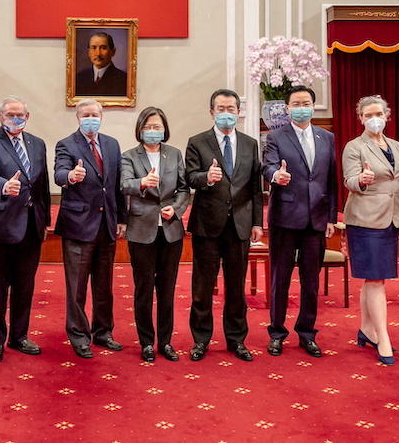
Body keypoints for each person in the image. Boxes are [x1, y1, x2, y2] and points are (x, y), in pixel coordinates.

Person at [185, 89, 263, 362]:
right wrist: (206, 177)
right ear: (212, 112)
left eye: (231, 108)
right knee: (203, 286)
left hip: (240, 224)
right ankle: (201, 339)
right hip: (207, 224)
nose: (226, 113)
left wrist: (257, 223)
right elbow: (190, 178)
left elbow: (255, 186)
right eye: (221, 108)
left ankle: (236, 339)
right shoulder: (197, 142)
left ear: (238, 112)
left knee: (236, 287)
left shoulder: (250, 143)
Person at [261, 85, 337, 359]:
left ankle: (307, 333)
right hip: (284, 217)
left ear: (313, 107)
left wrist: (331, 217)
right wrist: (275, 176)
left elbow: (331, 180)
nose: (301, 107)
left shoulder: (327, 137)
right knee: (280, 279)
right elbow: (267, 165)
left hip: (316, 219)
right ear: (287, 108)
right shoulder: (276, 137)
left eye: (306, 103)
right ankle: (277, 332)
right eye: (296, 103)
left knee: (310, 282)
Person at [0, 96, 51, 363]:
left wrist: (45, 222)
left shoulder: (37, 143)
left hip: (31, 226)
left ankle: (19, 336)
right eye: (10, 115)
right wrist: (4, 186)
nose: (15, 119)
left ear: (27, 117)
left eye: (20, 115)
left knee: (25, 286)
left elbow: (41, 186)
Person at [54, 99, 127, 358]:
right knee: (77, 286)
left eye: (94, 114)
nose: (90, 118)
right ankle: (78, 335)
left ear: (101, 117)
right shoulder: (66, 144)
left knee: (104, 285)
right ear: (78, 118)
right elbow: (59, 173)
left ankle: (103, 331)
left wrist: (122, 218)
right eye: (86, 115)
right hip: (78, 225)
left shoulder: (111, 144)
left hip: (106, 224)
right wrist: (70, 176)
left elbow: (117, 184)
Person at [342, 95, 399, 366]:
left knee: (373, 279)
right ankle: (383, 337)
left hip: (391, 219)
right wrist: (362, 179)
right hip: (364, 219)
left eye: (378, 113)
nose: (374, 118)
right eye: (368, 115)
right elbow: (349, 180)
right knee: (376, 280)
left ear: (387, 116)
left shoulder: (396, 145)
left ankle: (366, 329)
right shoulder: (354, 146)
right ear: (360, 118)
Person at [121, 107, 190, 362]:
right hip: (142, 230)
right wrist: (142, 183)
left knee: (167, 289)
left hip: (171, 230)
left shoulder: (174, 154)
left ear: (165, 129)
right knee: (143, 288)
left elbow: (183, 189)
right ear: (140, 129)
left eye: (157, 127)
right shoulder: (129, 156)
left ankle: (166, 341)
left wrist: (178, 209)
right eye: (148, 127)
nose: (153, 131)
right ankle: (147, 342)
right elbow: (124, 184)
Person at [74, 32, 128, 96]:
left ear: (113, 52)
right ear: (89, 52)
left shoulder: (124, 80)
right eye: (93, 48)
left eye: (103, 48)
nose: (98, 54)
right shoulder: (78, 78)